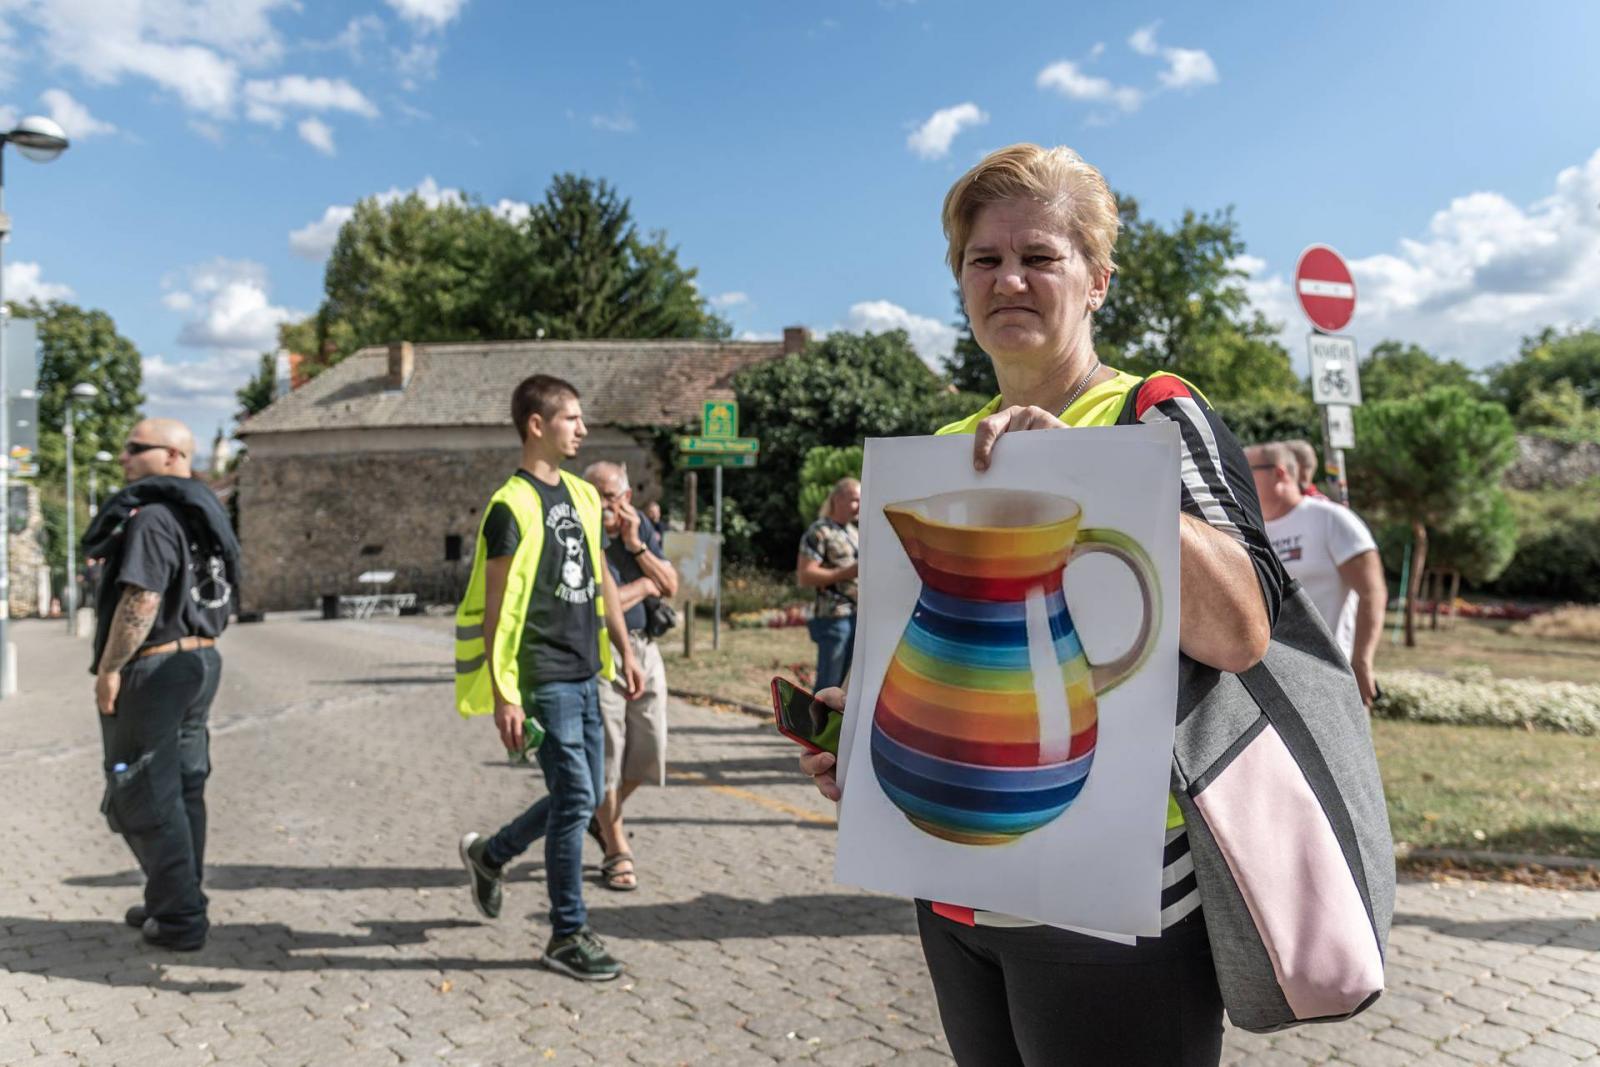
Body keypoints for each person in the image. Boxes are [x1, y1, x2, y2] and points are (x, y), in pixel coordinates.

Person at [799, 144, 1286, 1066]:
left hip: (1111, 903)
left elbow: (1243, 630)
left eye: (1040, 257)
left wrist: (1094, 478)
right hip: (953, 891)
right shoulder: (941, 448)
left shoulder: (1154, 414)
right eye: (984, 260)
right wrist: (855, 730)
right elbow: (921, 640)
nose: (1008, 278)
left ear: (1097, 281)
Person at [455, 375, 645, 982]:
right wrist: (505, 694)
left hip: (588, 668)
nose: (582, 430)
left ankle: (491, 854)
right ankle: (566, 933)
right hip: (542, 673)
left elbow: (603, 581)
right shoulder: (508, 506)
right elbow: (493, 604)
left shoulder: (583, 498)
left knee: (582, 796)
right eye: (571, 418)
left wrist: (623, 648)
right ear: (537, 424)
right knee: (573, 806)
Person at [81, 418, 240, 952]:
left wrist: (110, 669)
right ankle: (174, 896)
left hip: (155, 667)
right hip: (200, 661)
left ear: (173, 455)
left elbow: (142, 599)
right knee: (186, 787)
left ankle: (179, 917)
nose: (124, 457)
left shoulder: (151, 517)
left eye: (135, 448)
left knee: (142, 791)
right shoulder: (204, 514)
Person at [582, 461, 678, 892]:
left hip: (645, 647)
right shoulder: (583, 536)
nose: (607, 505)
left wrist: (638, 547)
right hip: (602, 650)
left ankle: (598, 814)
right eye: (598, 496)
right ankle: (616, 846)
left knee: (650, 749)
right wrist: (644, 586)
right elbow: (606, 602)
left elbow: (672, 584)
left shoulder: (639, 531)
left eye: (612, 497)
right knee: (608, 752)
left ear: (627, 499)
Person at [1247, 441, 1386, 705]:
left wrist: (1362, 661)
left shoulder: (1330, 519)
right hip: (1271, 680)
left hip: (1330, 676)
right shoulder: (1253, 530)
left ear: (1279, 474)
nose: (1239, 477)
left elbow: (1372, 592)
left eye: (1248, 469)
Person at [796, 478, 860, 690]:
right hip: (834, 618)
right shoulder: (819, 531)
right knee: (828, 687)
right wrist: (846, 573)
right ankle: (817, 724)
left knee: (845, 688)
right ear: (837, 499)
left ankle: (839, 725)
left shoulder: (853, 532)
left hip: (857, 616)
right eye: (854, 500)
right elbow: (805, 576)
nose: (859, 506)